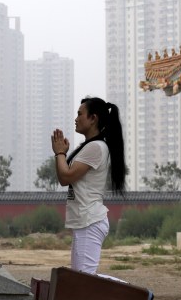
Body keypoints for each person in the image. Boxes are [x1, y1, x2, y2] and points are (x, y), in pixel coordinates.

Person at [51, 96, 126, 274]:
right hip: (85, 221)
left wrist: (60, 153)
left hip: (89, 220)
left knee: (84, 281)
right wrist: (62, 154)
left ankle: (138, 298)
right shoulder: (91, 147)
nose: (76, 119)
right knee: (81, 279)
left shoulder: (96, 147)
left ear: (93, 118)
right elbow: (65, 178)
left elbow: (66, 176)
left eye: (80, 114)